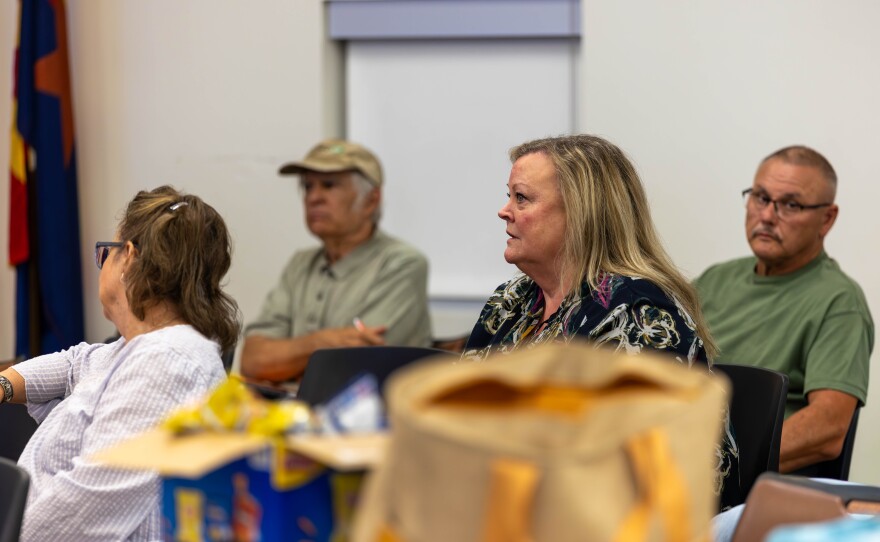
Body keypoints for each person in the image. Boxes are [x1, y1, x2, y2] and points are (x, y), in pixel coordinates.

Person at [462, 133, 740, 504]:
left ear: (580, 214)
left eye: (522, 198)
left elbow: (632, 471)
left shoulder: (639, 313)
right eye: (508, 195)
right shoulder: (511, 301)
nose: (504, 210)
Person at [0, 186, 240, 541]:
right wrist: (4, 386)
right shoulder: (136, 347)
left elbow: (82, 513)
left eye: (105, 254)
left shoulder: (166, 365)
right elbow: (73, 364)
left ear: (127, 258)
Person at [695, 145, 873, 475]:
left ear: (827, 218)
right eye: (761, 197)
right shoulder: (714, 280)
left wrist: (721, 465)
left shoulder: (839, 301)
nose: (766, 215)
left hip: (750, 492)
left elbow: (828, 429)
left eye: (790, 205)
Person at [240, 139, 432, 382]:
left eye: (328, 185)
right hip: (292, 414)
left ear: (371, 200)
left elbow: (357, 369)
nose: (313, 197)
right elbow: (253, 361)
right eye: (308, 186)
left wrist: (289, 359)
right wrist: (323, 342)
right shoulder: (300, 263)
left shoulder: (401, 264)